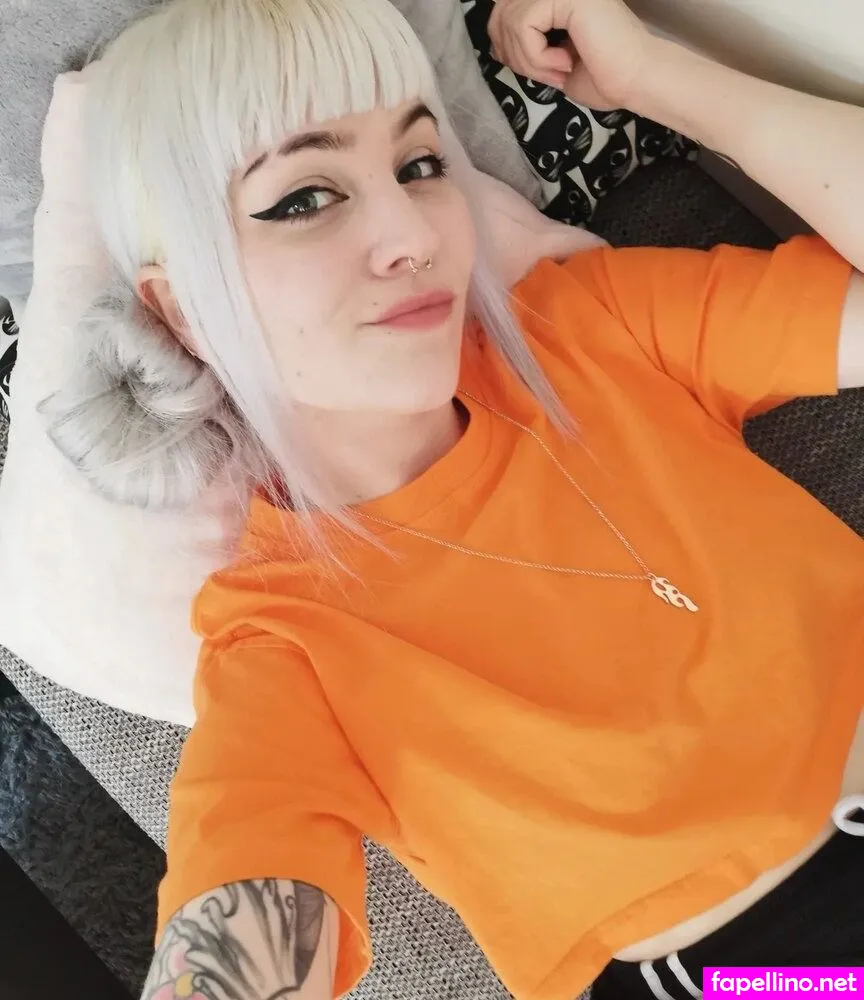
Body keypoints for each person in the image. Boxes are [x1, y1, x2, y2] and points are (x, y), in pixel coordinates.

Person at [43, 0, 864, 997]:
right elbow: (242, 925)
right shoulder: (280, 642)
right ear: (182, 309)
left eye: (421, 164)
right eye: (304, 197)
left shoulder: (589, 327)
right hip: (793, 970)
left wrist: (654, 77)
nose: (411, 233)